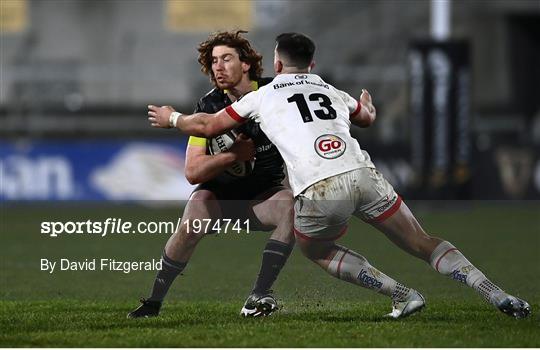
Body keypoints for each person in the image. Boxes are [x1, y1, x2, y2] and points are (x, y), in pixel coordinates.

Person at [147, 32, 531, 319]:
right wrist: (367, 106)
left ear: (276, 66)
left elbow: (210, 125)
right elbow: (365, 118)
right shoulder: (329, 88)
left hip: (319, 187)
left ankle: (401, 293)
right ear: (311, 66)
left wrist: (172, 119)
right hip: (364, 174)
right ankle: (496, 294)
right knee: (421, 240)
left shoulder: (261, 96)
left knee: (316, 248)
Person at [129, 31, 295, 319]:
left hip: (262, 197)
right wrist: (233, 156)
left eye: (226, 58)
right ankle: (154, 302)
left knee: (292, 208)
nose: (218, 66)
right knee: (190, 225)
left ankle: (259, 294)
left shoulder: (273, 94)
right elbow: (193, 172)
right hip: (219, 198)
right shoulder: (207, 108)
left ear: (246, 64)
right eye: (214, 61)